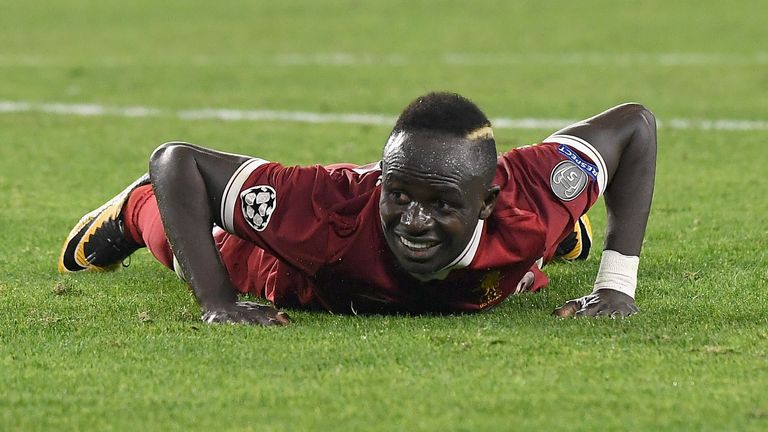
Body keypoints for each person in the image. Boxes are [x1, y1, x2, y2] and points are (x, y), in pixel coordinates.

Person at [58, 92, 656, 325]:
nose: (413, 221)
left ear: (488, 204)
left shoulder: (531, 196)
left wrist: (615, 286)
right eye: (400, 197)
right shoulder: (323, 214)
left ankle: (553, 246)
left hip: (509, 235)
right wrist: (218, 303)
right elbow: (176, 162)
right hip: (307, 275)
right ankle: (135, 211)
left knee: (534, 237)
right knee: (197, 246)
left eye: (441, 204)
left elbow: (634, 124)